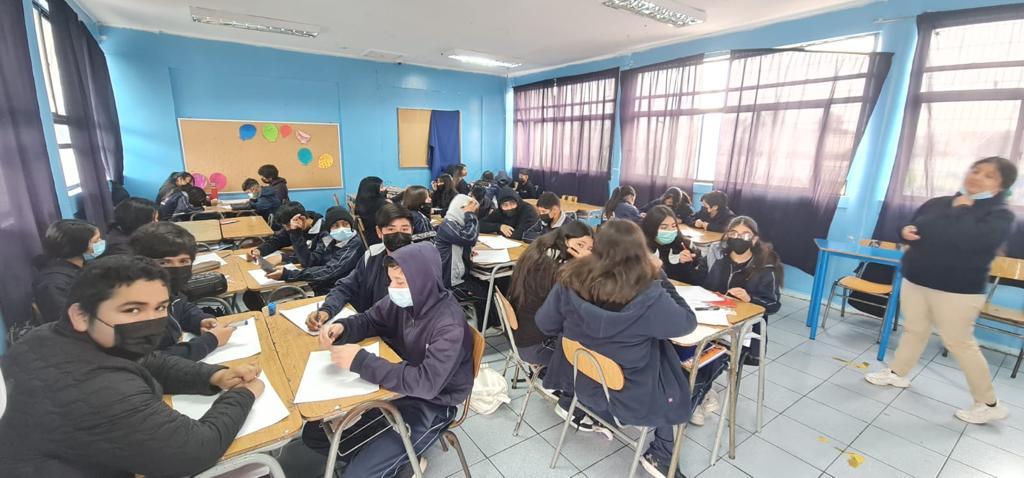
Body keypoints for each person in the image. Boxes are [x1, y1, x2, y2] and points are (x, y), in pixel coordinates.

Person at [0, 255, 263, 477]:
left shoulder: (50, 334)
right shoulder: (97, 388)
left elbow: (147, 360)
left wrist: (215, 375)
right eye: (133, 310)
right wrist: (244, 394)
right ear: (80, 315)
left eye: (160, 307)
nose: (151, 320)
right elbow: (194, 450)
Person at [292, 243, 473, 477]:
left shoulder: (449, 326)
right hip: (397, 390)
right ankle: (387, 461)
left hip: (432, 405)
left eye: (400, 282)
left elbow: (427, 383)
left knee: (356, 474)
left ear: (423, 282)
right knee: (315, 434)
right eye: (391, 280)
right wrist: (343, 327)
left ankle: (390, 463)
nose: (392, 288)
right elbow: (370, 319)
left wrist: (360, 361)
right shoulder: (404, 300)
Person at [536, 220, 697, 477]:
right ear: (641, 252)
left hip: (582, 381)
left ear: (597, 247)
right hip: (632, 397)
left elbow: (545, 323)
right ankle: (662, 454)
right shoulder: (650, 293)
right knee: (688, 372)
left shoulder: (570, 277)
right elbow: (687, 323)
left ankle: (575, 406)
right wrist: (660, 276)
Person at [866, 157, 1018, 424]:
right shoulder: (940, 202)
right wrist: (905, 231)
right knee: (914, 330)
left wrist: (961, 210)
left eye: (988, 175)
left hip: (958, 290)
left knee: (959, 343)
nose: (977, 176)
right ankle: (898, 373)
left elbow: (967, 240)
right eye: (975, 170)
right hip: (917, 278)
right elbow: (914, 226)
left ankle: (988, 403)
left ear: (1000, 186)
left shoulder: (1000, 215)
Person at [131, 222, 235, 360]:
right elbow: (147, 362)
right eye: (164, 262)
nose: (176, 269)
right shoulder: (131, 307)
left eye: (184, 261)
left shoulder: (166, 289)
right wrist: (210, 341)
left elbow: (181, 306)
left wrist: (200, 320)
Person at [306, 204, 415, 331]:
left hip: (399, 334)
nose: (398, 234)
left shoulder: (423, 262)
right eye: (391, 229)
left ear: (412, 230)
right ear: (379, 232)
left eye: (405, 229)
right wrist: (326, 310)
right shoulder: (372, 255)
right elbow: (346, 286)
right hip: (368, 328)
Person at [705, 216, 782, 365]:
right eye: (733, 233)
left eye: (745, 235)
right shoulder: (719, 259)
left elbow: (774, 305)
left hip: (745, 333)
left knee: (710, 357)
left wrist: (750, 299)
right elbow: (702, 286)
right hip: (714, 323)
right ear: (727, 236)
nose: (738, 238)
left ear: (754, 240)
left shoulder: (765, 267)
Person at [266, 206, 365, 295]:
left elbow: (330, 271)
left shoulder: (354, 244)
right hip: (321, 285)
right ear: (329, 228)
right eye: (336, 225)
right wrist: (296, 233)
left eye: (345, 224)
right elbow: (309, 261)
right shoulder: (328, 238)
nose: (341, 229)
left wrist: (289, 274)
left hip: (341, 292)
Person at [32, 220, 103, 324]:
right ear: (80, 246)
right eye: (96, 241)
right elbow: (64, 321)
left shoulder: (84, 266)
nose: (101, 242)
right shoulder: (53, 283)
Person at [641, 205, 706, 285]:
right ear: (651, 228)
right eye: (664, 227)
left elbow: (697, 281)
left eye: (673, 226)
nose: (670, 231)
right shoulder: (642, 248)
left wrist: (688, 263)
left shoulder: (684, 245)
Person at [247, 201, 323, 262]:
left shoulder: (323, 230)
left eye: (287, 226)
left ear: (300, 219)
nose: (287, 229)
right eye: (285, 227)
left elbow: (312, 257)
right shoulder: (292, 226)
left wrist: (283, 258)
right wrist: (260, 250)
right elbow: (277, 241)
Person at [355, 176, 389, 246]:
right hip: (380, 238)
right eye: (381, 187)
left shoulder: (361, 201)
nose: (384, 188)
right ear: (374, 189)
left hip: (368, 236)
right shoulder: (381, 205)